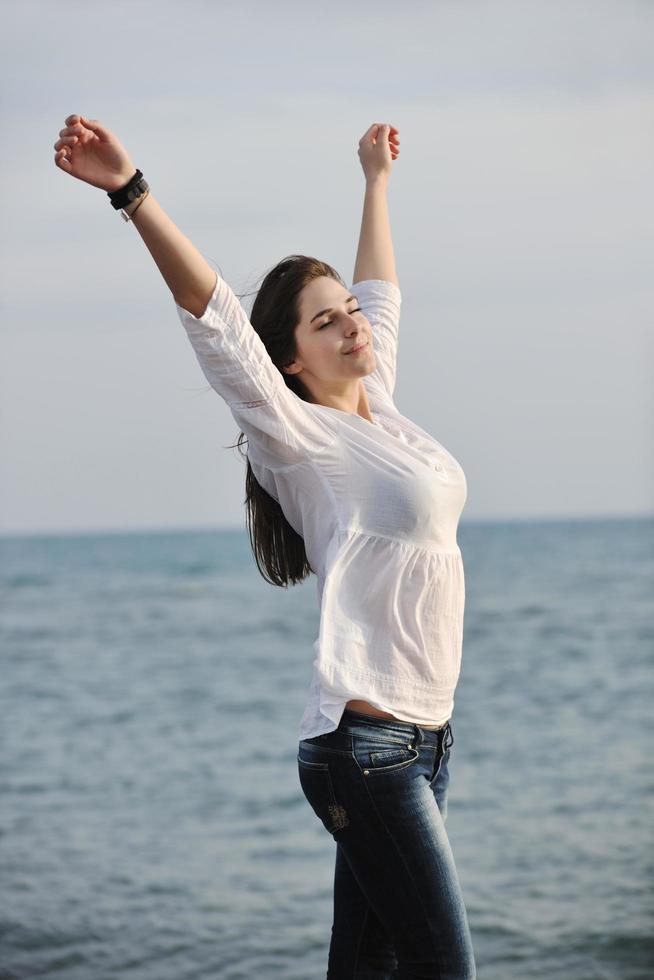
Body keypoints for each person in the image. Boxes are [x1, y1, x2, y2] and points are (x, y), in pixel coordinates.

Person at [53, 114, 477, 979]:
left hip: (426, 743)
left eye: (349, 313)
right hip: (366, 755)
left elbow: (381, 289)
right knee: (443, 969)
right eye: (327, 323)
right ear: (289, 362)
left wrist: (375, 183)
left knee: (367, 967)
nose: (354, 324)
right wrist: (133, 194)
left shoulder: (381, 409)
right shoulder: (300, 437)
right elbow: (216, 321)